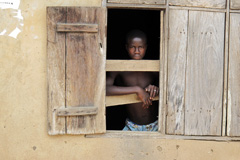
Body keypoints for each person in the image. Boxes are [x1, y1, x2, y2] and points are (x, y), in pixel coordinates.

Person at [106, 29, 159, 131]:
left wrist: (156, 89)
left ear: (146, 47)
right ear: (126, 47)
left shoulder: (154, 68)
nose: (137, 51)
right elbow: (105, 89)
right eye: (132, 47)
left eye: (141, 47)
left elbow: (169, 88)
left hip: (156, 126)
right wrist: (137, 89)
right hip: (131, 126)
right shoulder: (119, 69)